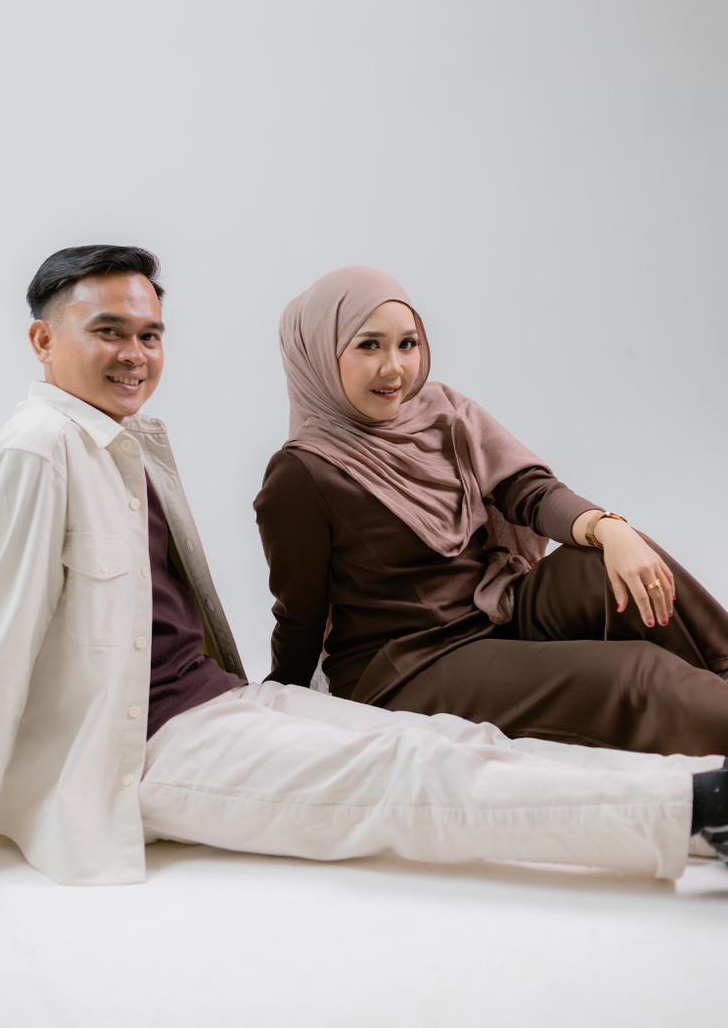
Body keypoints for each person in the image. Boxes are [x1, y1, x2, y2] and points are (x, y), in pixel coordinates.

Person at [0, 246, 728, 911]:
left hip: (218, 699)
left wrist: (272, 689)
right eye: (109, 332)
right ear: (44, 341)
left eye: (150, 334)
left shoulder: (121, 444)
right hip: (144, 746)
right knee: (408, 785)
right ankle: (697, 815)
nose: (135, 354)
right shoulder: (36, 455)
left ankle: (699, 795)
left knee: (451, 744)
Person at [255, 266, 728, 756]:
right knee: (637, 675)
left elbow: (529, 491)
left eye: (407, 344)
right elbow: (300, 616)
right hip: (414, 666)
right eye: (369, 345)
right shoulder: (303, 472)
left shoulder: (441, 412)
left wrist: (609, 529)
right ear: (320, 352)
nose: (394, 368)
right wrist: (274, 705)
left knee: (605, 567)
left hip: (494, 609)